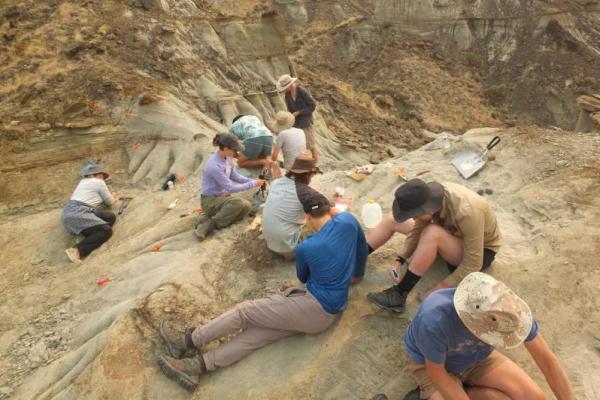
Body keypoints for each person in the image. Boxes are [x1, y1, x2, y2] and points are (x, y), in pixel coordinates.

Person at [156, 192, 368, 391]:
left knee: (244, 313)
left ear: (306, 216)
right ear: (330, 209)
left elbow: (303, 277)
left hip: (313, 305)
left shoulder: (308, 246)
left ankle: (189, 340)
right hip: (326, 314)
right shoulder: (348, 221)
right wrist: (356, 275)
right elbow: (361, 247)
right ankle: (196, 367)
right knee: (256, 335)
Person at [392, 272, 574, 400]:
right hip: (431, 363)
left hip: (477, 357)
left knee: (534, 397)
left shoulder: (510, 310)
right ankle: (432, 393)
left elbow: (546, 360)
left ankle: (457, 390)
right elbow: (437, 373)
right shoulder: (434, 319)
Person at [367, 179, 501, 313]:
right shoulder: (429, 198)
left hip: (481, 251)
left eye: (415, 215)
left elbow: (473, 264)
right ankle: (357, 255)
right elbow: (417, 230)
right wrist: (400, 259)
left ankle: (399, 294)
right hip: (452, 233)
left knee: (432, 233)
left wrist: (437, 290)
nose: (413, 219)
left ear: (428, 208)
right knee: (392, 219)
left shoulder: (467, 212)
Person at [194, 133, 265, 241]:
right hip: (209, 200)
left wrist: (254, 181)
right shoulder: (214, 166)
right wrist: (253, 184)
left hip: (221, 196)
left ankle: (210, 217)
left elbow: (234, 175)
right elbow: (230, 188)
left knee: (246, 207)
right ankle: (208, 225)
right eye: (234, 150)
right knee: (238, 203)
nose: (236, 152)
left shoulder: (228, 158)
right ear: (226, 148)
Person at [262, 155, 322, 260]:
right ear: (308, 175)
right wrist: (319, 205)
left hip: (270, 242)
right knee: (319, 223)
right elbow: (316, 209)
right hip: (288, 248)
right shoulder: (305, 192)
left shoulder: (276, 183)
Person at [61, 161, 116, 263]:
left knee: (109, 217)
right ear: (96, 175)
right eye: (101, 175)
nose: (102, 178)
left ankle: (91, 236)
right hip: (78, 212)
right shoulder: (99, 182)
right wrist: (113, 196)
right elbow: (110, 202)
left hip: (70, 211)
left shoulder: (83, 182)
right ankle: (76, 250)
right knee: (106, 230)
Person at [277, 74, 318, 163]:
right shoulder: (287, 95)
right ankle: (305, 164)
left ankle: (315, 164)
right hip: (296, 123)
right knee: (300, 146)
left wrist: (299, 112)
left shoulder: (302, 91)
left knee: (310, 145)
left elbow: (312, 106)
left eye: (286, 87)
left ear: (291, 84)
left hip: (306, 122)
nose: (285, 90)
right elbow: (289, 109)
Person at [270, 111, 307, 175]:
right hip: (304, 164)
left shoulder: (282, 134)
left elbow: (274, 156)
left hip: (291, 168)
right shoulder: (301, 131)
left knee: (270, 161)